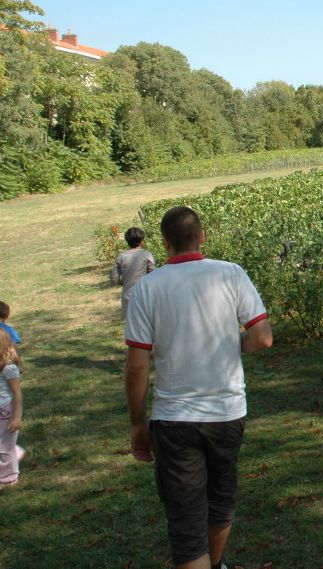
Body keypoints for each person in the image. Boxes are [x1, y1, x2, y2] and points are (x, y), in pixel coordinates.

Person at [124, 206, 274, 569]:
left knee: (186, 521)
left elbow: (137, 365)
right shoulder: (231, 274)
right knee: (221, 502)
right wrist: (231, 342)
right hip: (227, 413)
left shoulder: (147, 289)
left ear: (164, 243)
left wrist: (137, 422)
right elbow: (263, 338)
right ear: (202, 236)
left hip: (174, 419)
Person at [110, 227, 156, 318]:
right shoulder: (146, 254)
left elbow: (114, 279)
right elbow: (154, 274)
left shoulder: (122, 256)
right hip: (145, 297)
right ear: (141, 241)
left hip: (128, 297)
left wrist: (123, 282)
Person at [0, 328, 24, 489]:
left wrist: (16, 417)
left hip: (5, 411)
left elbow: (17, 395)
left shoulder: (8, 368)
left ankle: (9, 477)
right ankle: (17, 451)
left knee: (4, 446)